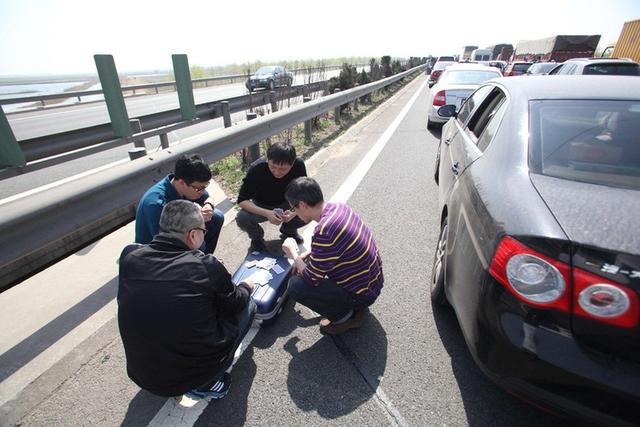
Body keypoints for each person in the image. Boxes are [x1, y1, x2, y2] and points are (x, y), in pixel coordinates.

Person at [118, 200, 256, 399]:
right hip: (189, 377)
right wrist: (245, 286)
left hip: (141, 374)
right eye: (203, 230)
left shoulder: (130, 255)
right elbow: (237, 301)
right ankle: (206, 383)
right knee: (249, 305)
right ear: (193, 234)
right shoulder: (205, 265)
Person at [282, 177, 384, 335]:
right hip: (372, 282)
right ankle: (350, 306)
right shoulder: (339, 208)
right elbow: (333, 248)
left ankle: (347, 316)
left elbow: (311, 278)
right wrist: (305, 257)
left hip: (362, 294)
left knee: (295, 286)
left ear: (302, 204)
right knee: (304, 267)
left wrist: (293, 254)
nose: (295, 213)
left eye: (294, 208)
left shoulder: (325, 231)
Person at [135, 154, 224, 254]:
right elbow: (165, 243)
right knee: (198, 244)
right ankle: (197, 263)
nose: (202, 192)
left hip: (177, 232)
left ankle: (205, 262)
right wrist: (196, 222)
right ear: (182, 182)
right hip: (155, 251)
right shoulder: (156, 204)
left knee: (217, 217)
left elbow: (208, 198)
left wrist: (208, 204)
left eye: (205, 187)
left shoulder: (184, 185)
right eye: (199, 188)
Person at [236, 142, 307, 251]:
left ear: (292, 164)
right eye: (273, 166)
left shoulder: (299, 165)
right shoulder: (256, 169)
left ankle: (289, 231)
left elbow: (304, 193)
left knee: (310, 207)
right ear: (267, 159)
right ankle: (257, 238)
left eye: (283, 169)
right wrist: (267, 213)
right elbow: (242, 200)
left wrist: (293, 213)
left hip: (288, 203)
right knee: (242, 218)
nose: (277, 172)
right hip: (261, 205)